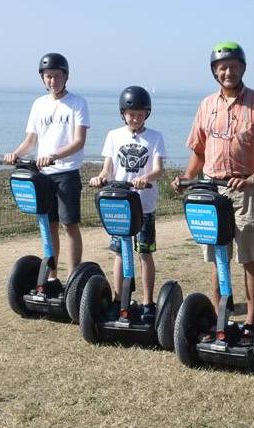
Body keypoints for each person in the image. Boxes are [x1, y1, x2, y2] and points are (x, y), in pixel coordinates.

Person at [174, 42, 254, 332]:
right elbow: (199, 151)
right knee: (217, 256)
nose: (228, 72)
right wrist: (187, 179)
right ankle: (219, 317)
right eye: (222, 67)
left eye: (233, 66)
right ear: (214, 72)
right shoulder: (206, 105)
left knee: (249, 258)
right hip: (212, 190)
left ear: (243, 68)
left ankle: (251, 321)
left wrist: (253, 179)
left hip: (247, 191)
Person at [1, 52, 90, 286]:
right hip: (43, 176)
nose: (53, 81)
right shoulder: (38, 105)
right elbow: (30, 140)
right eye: (48, 76)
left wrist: (54, 156)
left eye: (57, 76)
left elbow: (79, 141)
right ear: (43, 78)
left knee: (69, 225)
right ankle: (51, 276)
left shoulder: (77, 103)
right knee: (48, 225)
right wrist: (16, 154)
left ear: (66, 76)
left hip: (66, 172)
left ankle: (73, 278)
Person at [88, 86, 165, 314]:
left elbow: (159, 169)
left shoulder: (155, 137)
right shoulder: (114, 135)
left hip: (144, 205)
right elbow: (108, 167)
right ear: (123, 113)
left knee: (144, 252)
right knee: (120, 252)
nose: (136, 118)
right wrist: (100, 178)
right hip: (119, 204)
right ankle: (119, 298)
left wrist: (145, 178)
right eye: (131, 114)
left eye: (141, 114)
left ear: (147, 114)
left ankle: (148, 302)